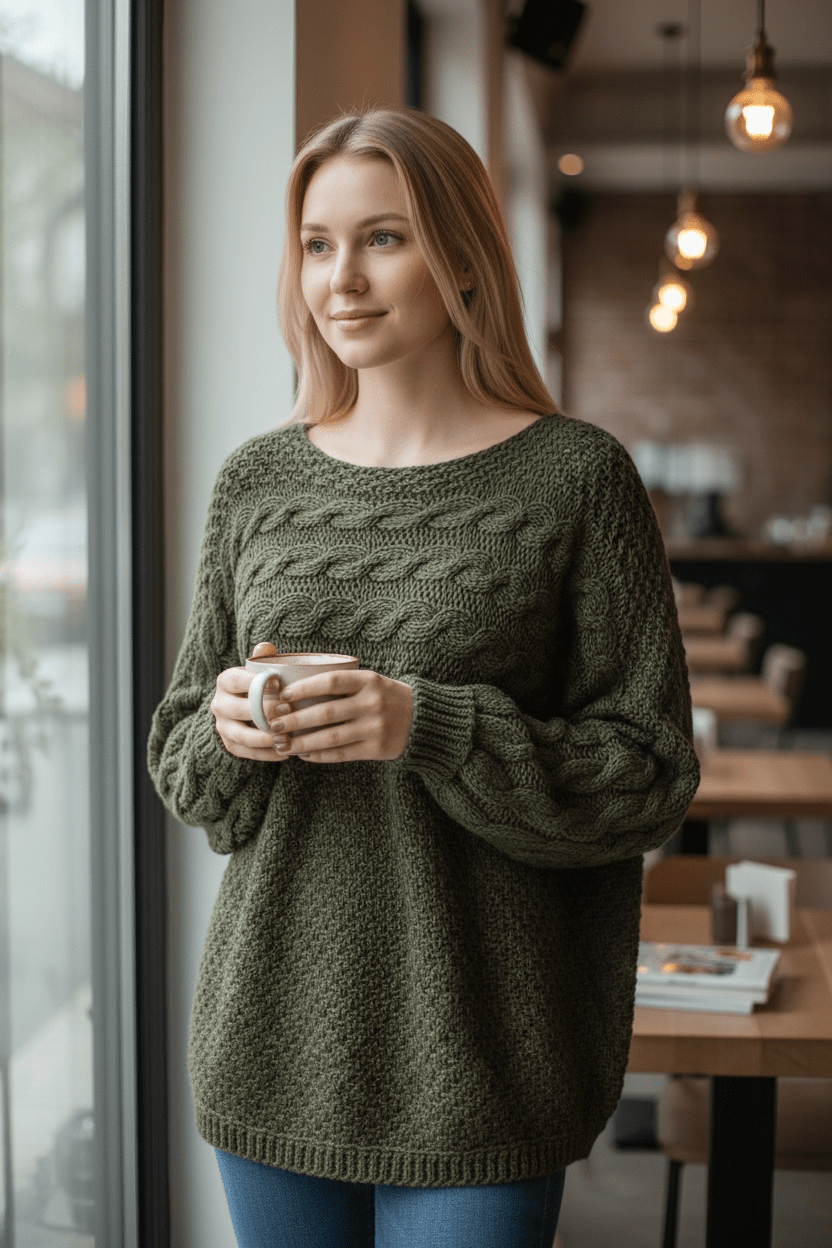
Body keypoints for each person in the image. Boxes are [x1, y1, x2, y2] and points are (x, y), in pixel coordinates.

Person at [148, 107, 700, 1248]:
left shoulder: (577, 478)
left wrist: (430, 725)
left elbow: (647, 776)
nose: (338, 279)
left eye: (382, 238)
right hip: (267, 1042)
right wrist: (230, 724)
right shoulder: (256, 480)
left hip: (484, 1057)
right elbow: (183, 764)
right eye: (314, 244)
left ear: (459, 254)